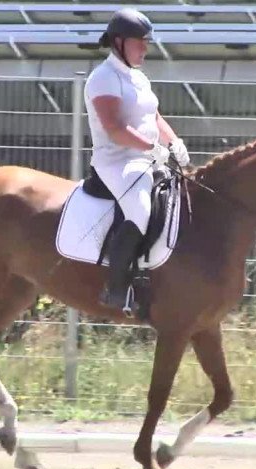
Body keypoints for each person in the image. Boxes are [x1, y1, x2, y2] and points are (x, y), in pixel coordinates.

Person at [84, 7, 190, 313]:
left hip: (145, 158)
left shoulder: (138, 77)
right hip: (116, 163)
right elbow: (115, 129)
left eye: (147, 42)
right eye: (139, 42)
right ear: (119, 42)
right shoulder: (103, 78)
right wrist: (152, 147)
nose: (145, 48)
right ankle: (116, 288)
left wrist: (173, 141)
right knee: (141, 210)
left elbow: (153, 117)